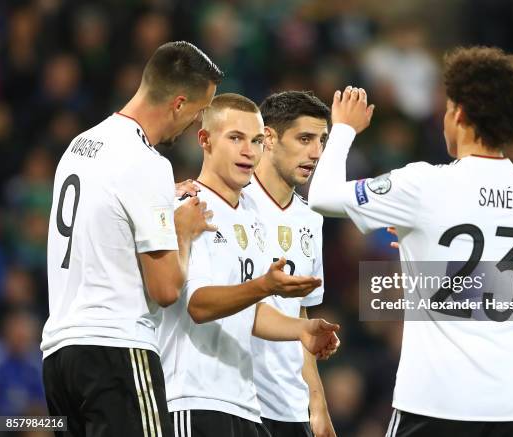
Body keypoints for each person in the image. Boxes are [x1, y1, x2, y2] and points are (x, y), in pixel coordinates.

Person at [308, 46, 513, 437]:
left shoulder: (424, 184)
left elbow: (321, 196)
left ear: (459, 114)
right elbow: (502, 281)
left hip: (436, 401)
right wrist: (424, 246)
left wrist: (342, 129)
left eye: (447, 109)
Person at [42, 41, 223, 437]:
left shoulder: (82, 144)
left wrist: (160, 201)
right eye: (198, 111)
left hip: (60, 356)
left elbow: (111, 210)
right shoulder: (147, 163)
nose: (197, 124)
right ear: (178, 103)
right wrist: (183, 232)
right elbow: (165, 289)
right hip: (117, 352)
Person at [158, 93, 340, 437]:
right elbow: (197, 304)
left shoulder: (253, 217)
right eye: (236, 138)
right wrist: (266, 286)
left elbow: (251, 311)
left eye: (255, 141)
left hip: (241, 402)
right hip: (192, 396)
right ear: (205, 140)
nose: (248, 151)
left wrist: (301, 329)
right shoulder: (187, 205)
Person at [247, 91, 336, 437]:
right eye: (304, 139)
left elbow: (302, 316)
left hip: (289, 405)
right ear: (269, 138)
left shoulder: (311, 218)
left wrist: (317, 403)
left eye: (322, 140)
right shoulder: (229, 201)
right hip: (237, 399)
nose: (316, 153)